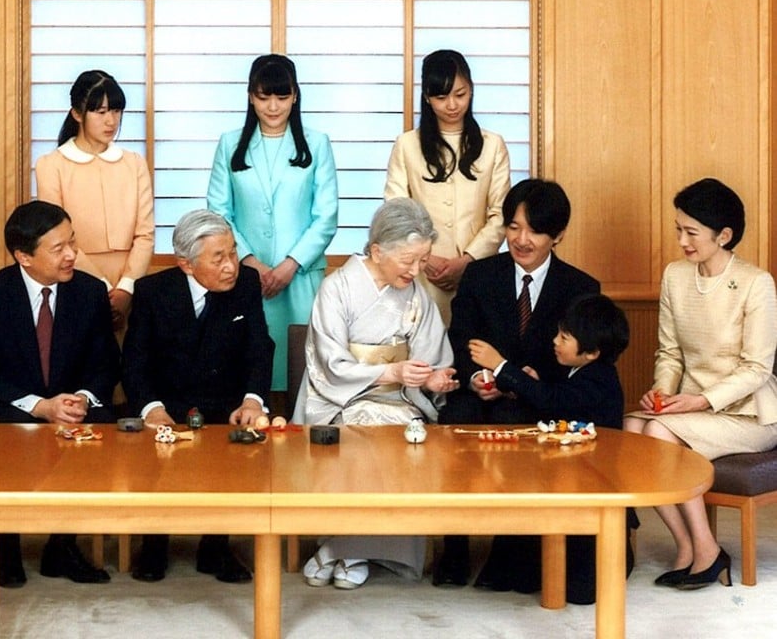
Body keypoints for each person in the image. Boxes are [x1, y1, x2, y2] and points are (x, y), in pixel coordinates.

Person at [438, 178, 600, 592]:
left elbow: (573, 361)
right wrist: (476, 378)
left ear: (558, 235)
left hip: (535, 399)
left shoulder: (580, 287)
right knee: (457, 419)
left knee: (518, 422)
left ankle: (509, 551)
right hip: (477, 392)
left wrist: (519, 379)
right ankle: (452, 548)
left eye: (534, 231)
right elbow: (461, 338)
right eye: (513, 227)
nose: (521, 240)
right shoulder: (479, 275)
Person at [292, 198, 459, 590]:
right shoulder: (337, 288)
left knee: (406, 438)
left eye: (423, 260)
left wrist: (432, 379)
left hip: (401, 399)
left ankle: (341, 552)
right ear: (377, 250)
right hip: (339, 398)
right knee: (361, 430)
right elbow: (330, 364)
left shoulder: (417, 295)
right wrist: (391, 370)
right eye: (408, 260)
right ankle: (353, 549)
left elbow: (430, 358)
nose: (416, 271)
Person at [0, 201, 120, 588]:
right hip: (13, 407)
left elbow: (106, 363)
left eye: (72, 243)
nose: (71, 255)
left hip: (70, 407)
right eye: (58, 248)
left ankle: (62, 547)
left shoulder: (89, 291)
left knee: (101, 427)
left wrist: (80, 397)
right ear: (23, 256)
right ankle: (4, 547)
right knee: (1, 430)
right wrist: (40, 406)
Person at [625, 178, 777, 591]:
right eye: (679, 229)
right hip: (688, 406)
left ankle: (705, 551)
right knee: (633, 428)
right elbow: (670, 352)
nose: (682, 240)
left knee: (655, 432)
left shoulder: (756, 282)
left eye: (691, 232)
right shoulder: (676, 276)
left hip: (749, 414)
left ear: (723, 235)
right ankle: (691, 546)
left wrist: (700, 401)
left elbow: (757, 369)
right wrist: (662, 392)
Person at [122, 209, 274, 584]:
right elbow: (134, 363)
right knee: (151, 445)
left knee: (236, 442)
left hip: (226, 403)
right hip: (167, 403)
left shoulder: (247, 284)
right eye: (218, 258)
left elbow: (259, 348)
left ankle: (216, 547)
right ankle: (154, 545)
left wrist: (253, 400)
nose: (231, 267)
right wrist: (151, 409)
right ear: (186, 264)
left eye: (233, 253)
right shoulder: (152, 292)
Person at [468, 292, 635, 604]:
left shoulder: (599, 379)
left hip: (591, 485)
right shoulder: (575, 368)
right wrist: (531, 382)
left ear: (593, 352)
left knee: (578, 588)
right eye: (559, 332)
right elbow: (551, 394)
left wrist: (501, 365)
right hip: (568, 478)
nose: (555, 341)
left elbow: (555, 401)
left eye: (565, 337)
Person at [207, 53, 338, 394]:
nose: (273, 107)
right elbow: (219, 211)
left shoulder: (317, 143)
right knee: (247, 370)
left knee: (301, 373)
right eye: (264, 97)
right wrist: (249, 262)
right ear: (251, 97)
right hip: (242, 276)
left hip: (300, 277)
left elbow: (326, 215)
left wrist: (289, 265)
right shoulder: (229, 143)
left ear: (295, 95)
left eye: (282, 97)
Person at [384, 49, 511, 325]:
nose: (452, 105)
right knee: (423, 356)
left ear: (472, 91)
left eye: (460, 94)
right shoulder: (407, 145)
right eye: (441, 97)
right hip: (420, 273)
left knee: (473, 352)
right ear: (427, 98)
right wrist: (425, 258)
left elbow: (502, 214)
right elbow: (396, 211)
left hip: (478, 271)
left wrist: (467, 259)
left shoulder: (493, 145)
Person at [35, 69, 154, 332]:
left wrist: (126, 289)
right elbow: (58, 238)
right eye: (100, 112)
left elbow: (145, 235)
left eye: (116, 111)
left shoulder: (134, 163)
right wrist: (100, 288)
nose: (111, 121)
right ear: (77, 114)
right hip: (74, 279)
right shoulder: (51, 165)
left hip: (132, 285)